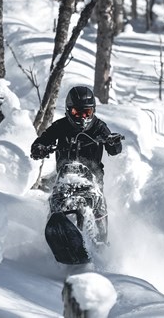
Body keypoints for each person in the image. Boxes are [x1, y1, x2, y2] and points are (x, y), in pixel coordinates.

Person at [30, 85, 122, 243]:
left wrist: (113, 142)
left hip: (92, 176)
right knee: (55, 199)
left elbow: (114, 149)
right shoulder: (60, 126)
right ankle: (54, 231)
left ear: (93, 111)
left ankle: (102, 240)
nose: (82, 117)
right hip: (65, 175)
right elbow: (39, 143)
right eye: (77, 112)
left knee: (98, 201)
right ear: (68, 110)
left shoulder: (99, 127)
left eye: (87, 112)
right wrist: (41, 148)